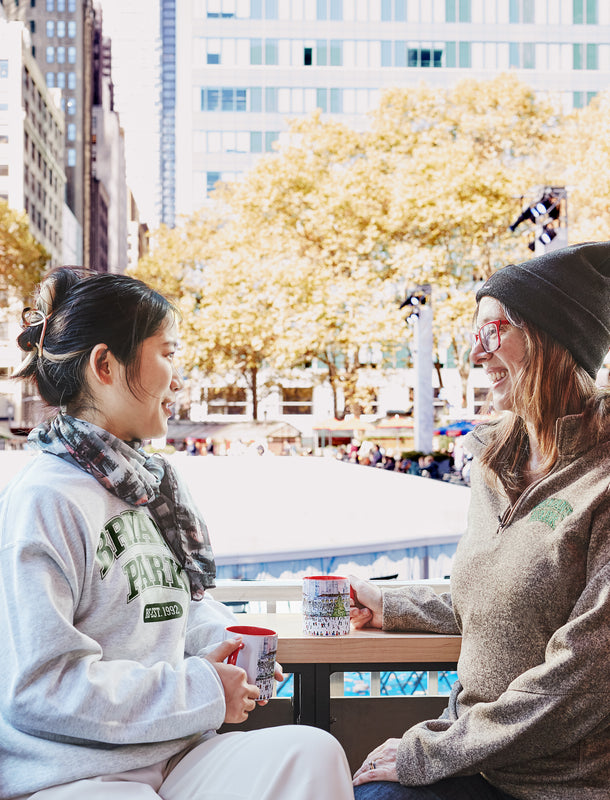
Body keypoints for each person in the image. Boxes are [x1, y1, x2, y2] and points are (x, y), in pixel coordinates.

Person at [0, 267, 354, 800]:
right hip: (74, 778)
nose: (179, 377)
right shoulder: (45, 500)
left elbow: (171, 611)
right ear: (105, 366)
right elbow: (39, 690)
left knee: (313, 752)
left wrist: (227, 645)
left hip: (173, 757)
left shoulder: (144, 489)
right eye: (166, 352)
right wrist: (202, 689)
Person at [349, 242, 610, 799]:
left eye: (492, 332)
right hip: (483, 765)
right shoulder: (495, 463)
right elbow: (507, 599)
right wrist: (392, 606)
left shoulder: (603, 480)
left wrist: (436, 751)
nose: (475, 355)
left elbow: (587, 675)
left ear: (551, 339)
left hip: (562, 785)